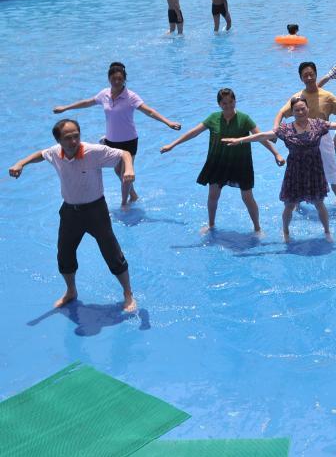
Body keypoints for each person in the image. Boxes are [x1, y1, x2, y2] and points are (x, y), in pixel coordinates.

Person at [8, 119, 138, 312]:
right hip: (70, 212)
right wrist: (21, 163)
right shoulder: (55, 152)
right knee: (64, 254)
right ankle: (71, 291)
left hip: (96, 211)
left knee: (112, 253)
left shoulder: (93, 151)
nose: (74, 141)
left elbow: (124, 153)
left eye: (76, 136)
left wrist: (129, 168)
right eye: (68, 138)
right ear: (58, 140)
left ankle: (127, 293)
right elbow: (41, 154)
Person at [226, 97, 336, 241]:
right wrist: (240, 140)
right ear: (292, 112)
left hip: (314, 172)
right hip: (294, 173)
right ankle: (286, 232)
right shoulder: (286, 129)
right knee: (289, 206)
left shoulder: (318, 125)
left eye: (303, 109)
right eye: (297, 110)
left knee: (319, 203)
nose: (300, 112)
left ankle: (327, 232)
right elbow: (263, 135)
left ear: (308, 109)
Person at [53, 63, 181, 207]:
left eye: (120, 79)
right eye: (114, 79)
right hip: (111, 141)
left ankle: (124, 203)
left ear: (124, 79)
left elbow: (149, 111)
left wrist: (168, 122)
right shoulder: (104, 94)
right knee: (117, 171)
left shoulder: (131, 96)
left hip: (129, 141)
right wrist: (66, 108)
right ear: (109, 79)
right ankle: (133, 194)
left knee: (124, 174)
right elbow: (88, 102)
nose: (117, 82)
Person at [160, 88, 283, 234]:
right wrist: (172, 145)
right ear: (219, 104)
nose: (228, 105)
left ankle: (257, 228)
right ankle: (211, 225)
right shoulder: (213, 118)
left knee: (247, 197)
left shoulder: (244, 119)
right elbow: (193, 132)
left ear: (235, 101)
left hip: (240, 163)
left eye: (231, 101)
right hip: (218, 163)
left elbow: (260, 137)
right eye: (224, 103)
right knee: (213, 195)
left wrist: (276, 154)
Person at [274, 61, 336, 207]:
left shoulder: (327, 96)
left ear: (316, 74)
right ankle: (297, 203)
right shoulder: (298, 98)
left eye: (311, 74)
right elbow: (281, 112)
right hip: (301, 139)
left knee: (331, 170)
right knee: (299, 171)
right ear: (301, 78)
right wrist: (275, 130)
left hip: (323, 137)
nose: (309, 78)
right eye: (305, 75)